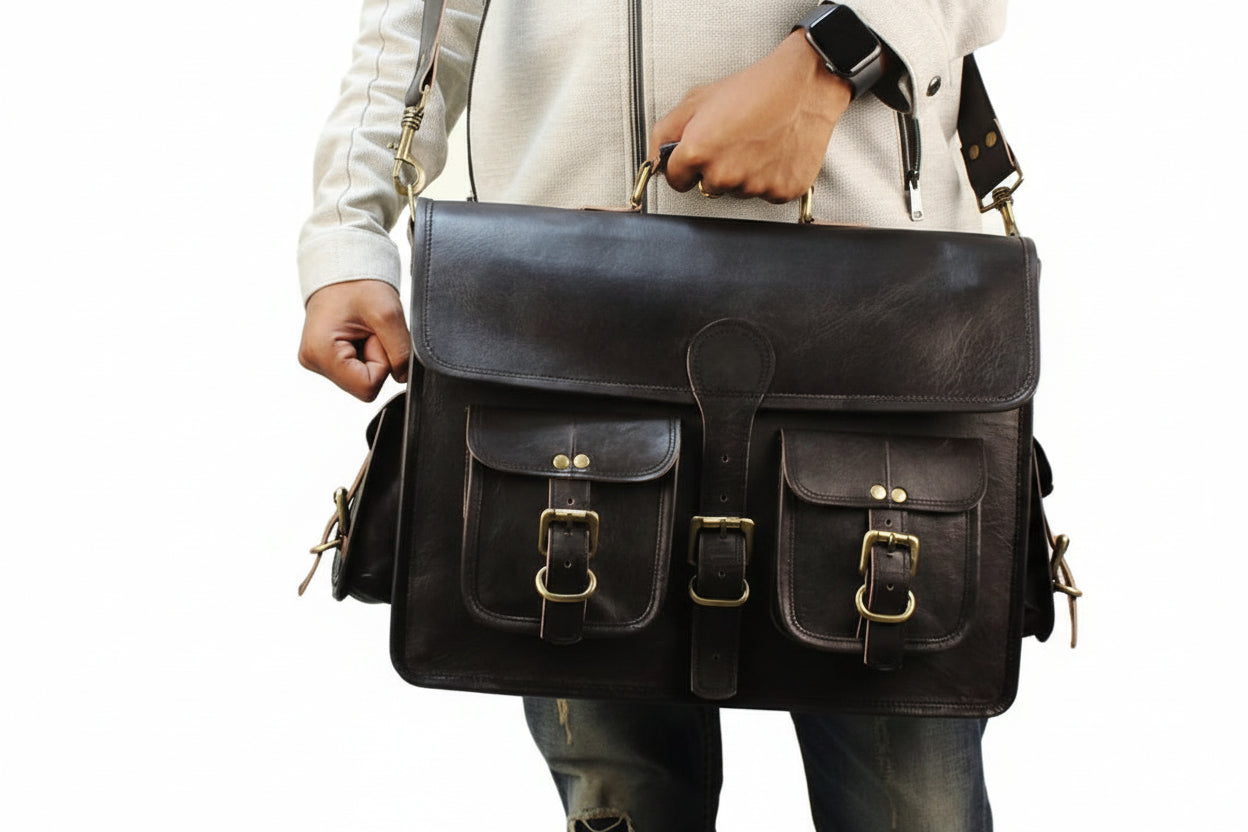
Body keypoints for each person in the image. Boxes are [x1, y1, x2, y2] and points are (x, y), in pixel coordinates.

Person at [298, 2, 1007, 830]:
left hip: (874, 338)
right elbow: (416, 21)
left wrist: (827, 63)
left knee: (911, 811)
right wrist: (346, 232)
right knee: (619, 803)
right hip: (564, 348)